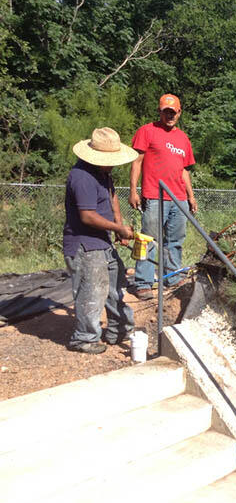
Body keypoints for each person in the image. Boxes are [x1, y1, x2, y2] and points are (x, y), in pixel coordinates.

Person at [64, 127, 137, 354]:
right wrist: (119, 228)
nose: (113, 164)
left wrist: (118, 223)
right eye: (110, 160)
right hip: (85, 245)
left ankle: (119, 330)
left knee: (115, 287)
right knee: (92, 291)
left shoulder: (103, 173)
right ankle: (84, 338)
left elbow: (111, 194)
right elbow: (87, 216)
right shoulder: (82, 177)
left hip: (103, 241)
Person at [129, 93, 197, 300]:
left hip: (179, 199)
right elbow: (137, 161)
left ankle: (172, 277)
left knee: (175, 241)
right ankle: (143, 283)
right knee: (147, 239)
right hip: (154, 195)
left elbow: (185, 170)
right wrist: (133, 190)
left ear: (179, 112)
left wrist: (191, 196)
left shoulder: (183, 138)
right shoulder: (147, 131)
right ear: (159, 111)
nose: (170, 115)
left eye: (173, 112)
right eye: (166, 112)